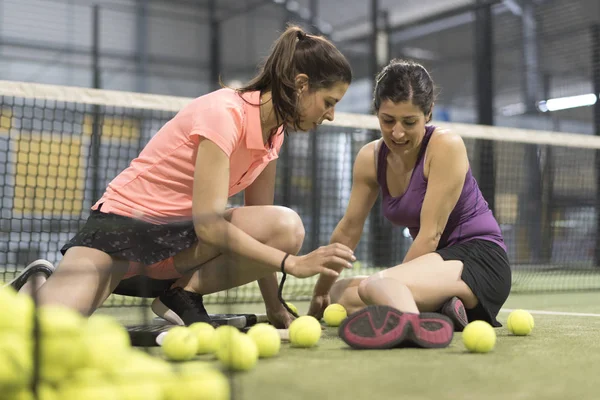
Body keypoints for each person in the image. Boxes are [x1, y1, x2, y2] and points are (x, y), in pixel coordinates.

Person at [9, 25, 356, 329]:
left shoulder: (273, 134)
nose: (331, 116)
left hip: (181, 248)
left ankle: (181, 295)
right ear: (301, 85)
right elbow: (210, 226)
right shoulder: (225, 113)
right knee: (51, 328)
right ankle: (39, 280)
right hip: (125, 228)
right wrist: (292, 264)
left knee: (285, 225)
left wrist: (274, 303)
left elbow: (262, 231)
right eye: (329, 102)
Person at [307, 59, 512, 350]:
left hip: (479, 260)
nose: (397, 133)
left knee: (374, 286)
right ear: (376, 112)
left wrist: (390, 284)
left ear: (428, 114)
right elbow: (349, 228)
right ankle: (445, 312)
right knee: (342, 293)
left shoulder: (445, 146)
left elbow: (430, 235)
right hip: (436, 265)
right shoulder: (370, 158)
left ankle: (417, 327)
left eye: (409, 122)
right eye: (388, 120)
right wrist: (320, 293)